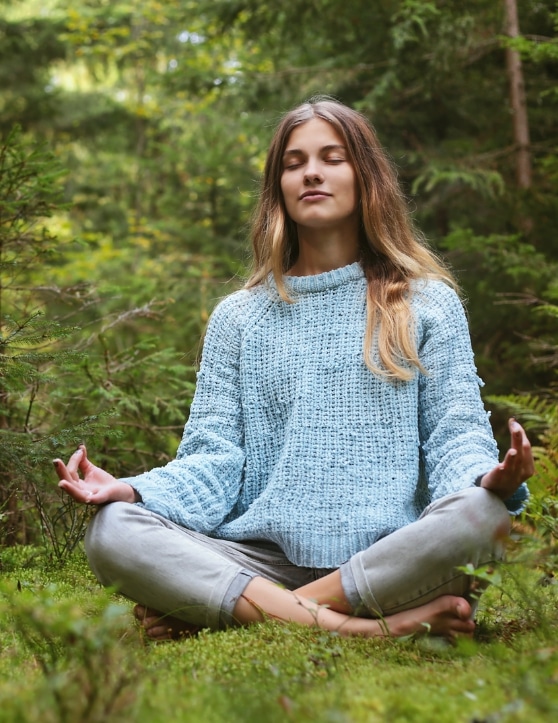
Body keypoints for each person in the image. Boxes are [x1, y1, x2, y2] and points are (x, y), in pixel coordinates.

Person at [55, 97, 534, 642]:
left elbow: (455, 436)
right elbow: (213, 462)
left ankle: (242, 619)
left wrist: (485, 478)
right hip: (259, 560)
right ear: (277, 186)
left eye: (332, 157)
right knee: (113, 531)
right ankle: (373, 632)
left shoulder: (426, 303)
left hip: (386, 558)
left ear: (365, 176)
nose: (311, 172)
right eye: (293, 162)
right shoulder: (240, 317)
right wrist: (133, 492)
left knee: (482, 514)